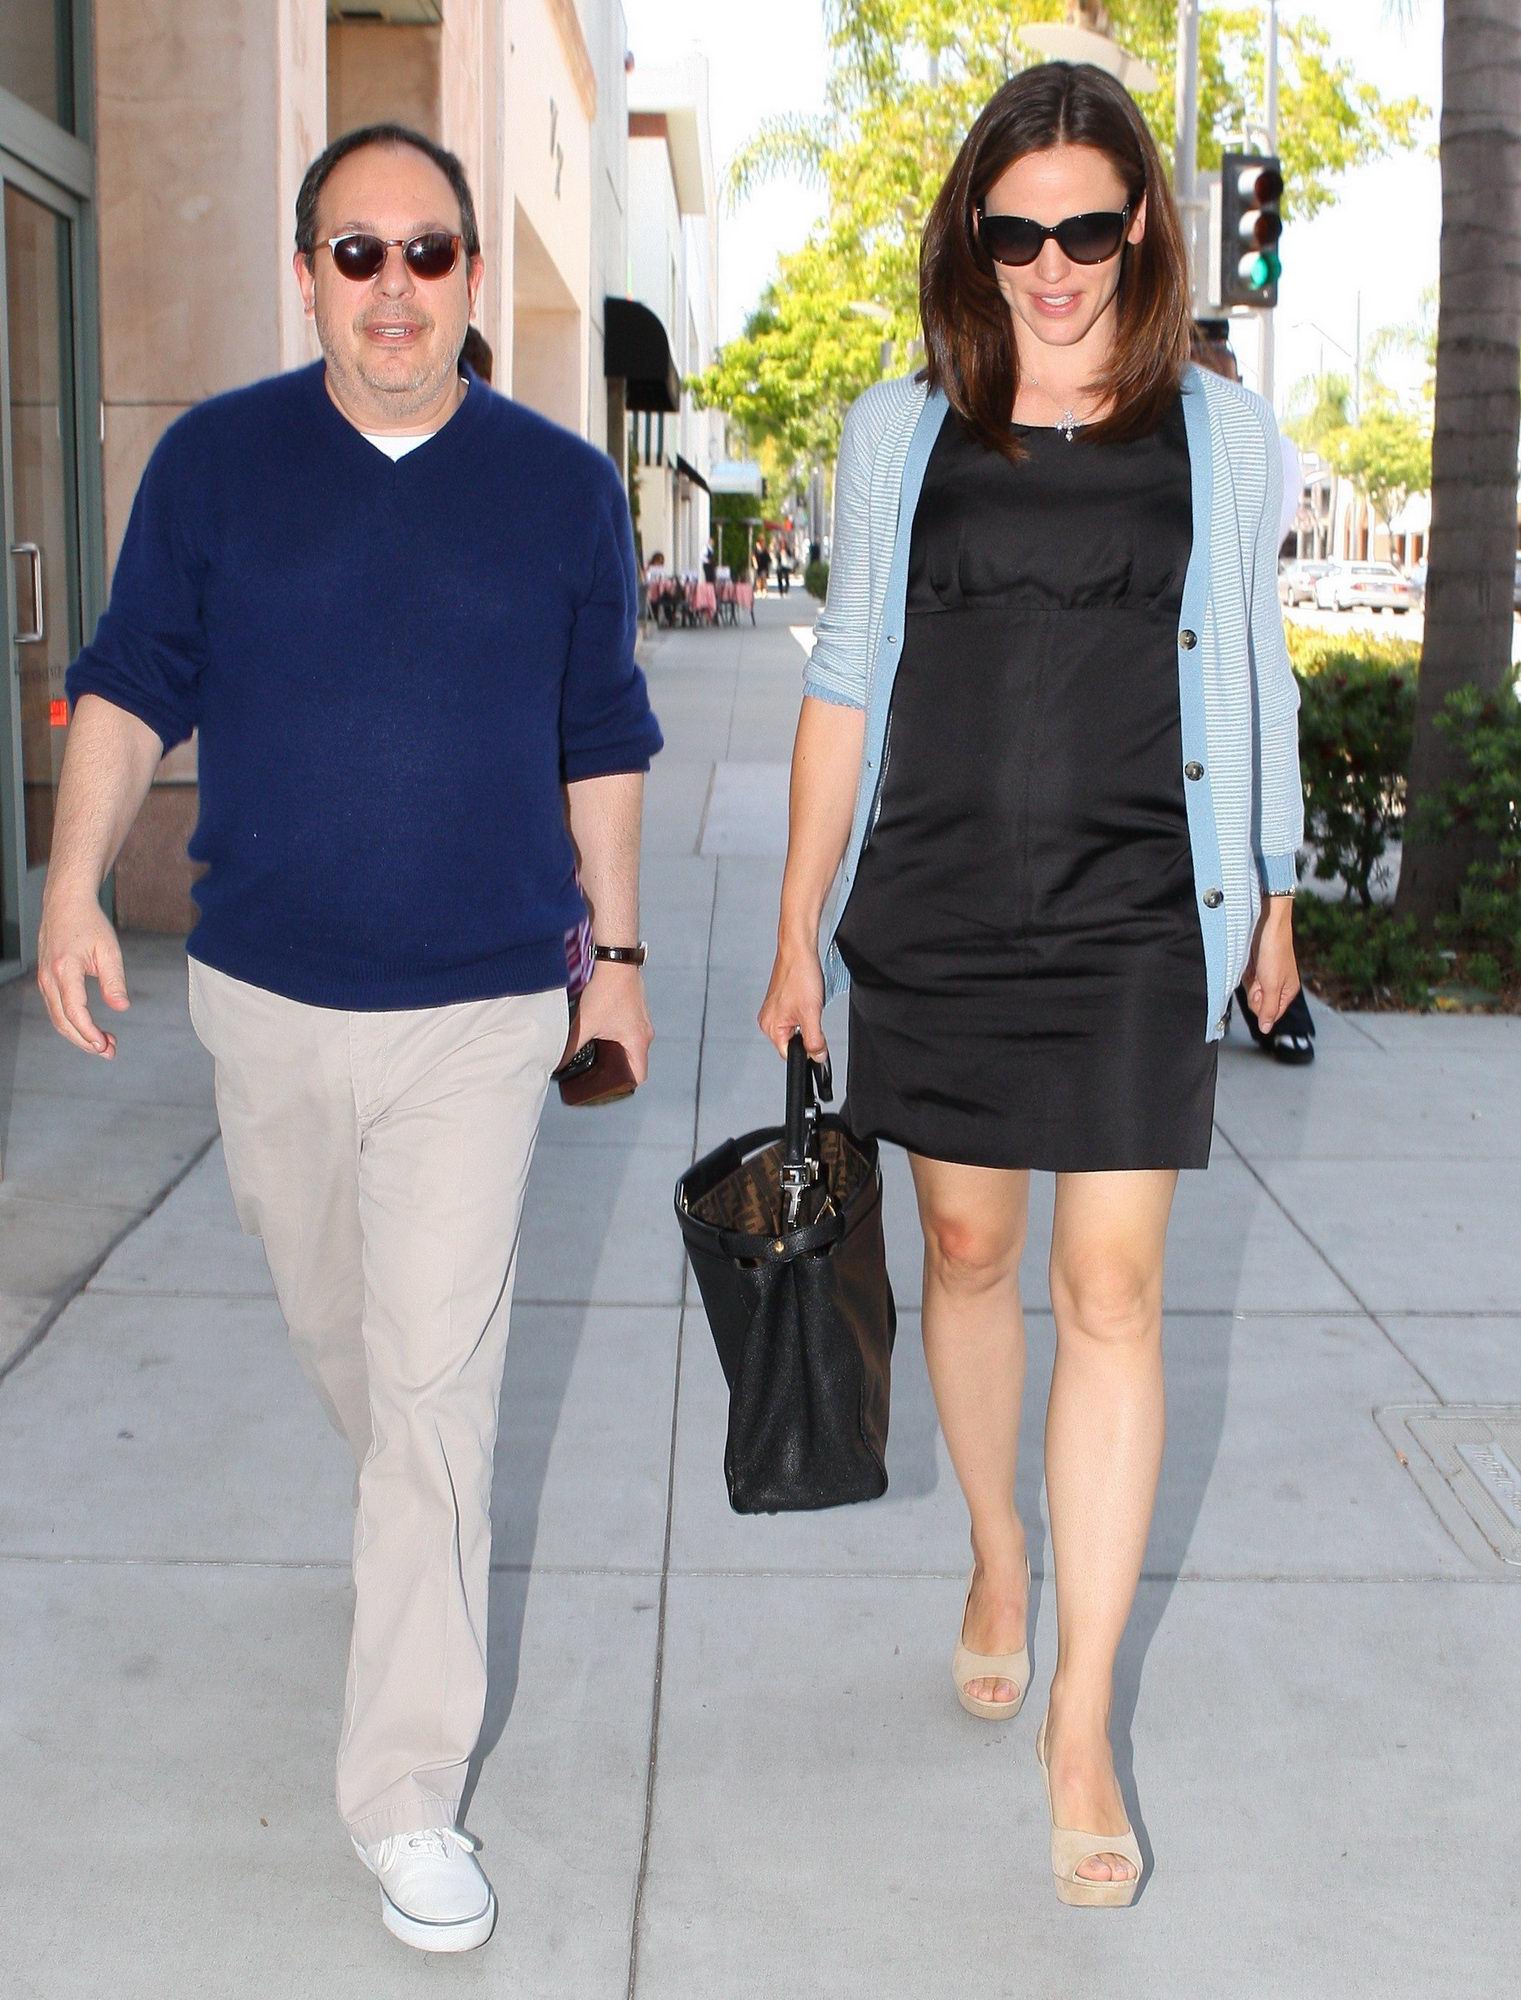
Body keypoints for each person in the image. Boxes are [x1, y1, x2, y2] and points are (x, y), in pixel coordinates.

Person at [37, 122, 663, 1954]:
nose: (397, 289)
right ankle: (410, 1532)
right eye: (359, 254)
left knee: (436, 1398)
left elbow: (602, 730)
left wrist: (611, 950)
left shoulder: (558, 490)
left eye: (433, 255)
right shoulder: (216, 465)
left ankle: (403, 1791)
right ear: (304, 272)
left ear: (475, 278)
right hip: (266, 1004)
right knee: (357, 1352)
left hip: (479, 1009)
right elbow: (131, 680)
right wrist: (73, 883)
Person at [760, 62, 1302, 1907]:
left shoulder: (1220, 433)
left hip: (1144, 907)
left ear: (1140, 223)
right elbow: (845, 677)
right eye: (1017, 233)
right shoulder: (897, 425)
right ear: (971, 236)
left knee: (1117, 1286)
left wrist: (1277, 892)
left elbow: (1262, 665)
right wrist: (789, 935)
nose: (1054, 266)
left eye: (1086, 228)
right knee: (972, 1257)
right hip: (938, 901)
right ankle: (997, 1548)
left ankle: (1083, 1718)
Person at [1190, 321, 1315, 1062]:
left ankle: (1262, 977)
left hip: (1232, 648)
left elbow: (1253, 571)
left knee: (1237, 831)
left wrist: (1278, 902)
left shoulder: (1256, 441)